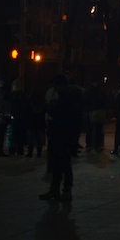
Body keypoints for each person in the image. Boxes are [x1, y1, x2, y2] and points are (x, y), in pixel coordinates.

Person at [40, 74, 80, 202]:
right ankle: (55, 189)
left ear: (62, 85)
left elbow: (64, 116)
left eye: (56, 87)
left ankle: (65, 190)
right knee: (56, 163)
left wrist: (51, 109)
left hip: (64, 135)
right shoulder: (64, 96)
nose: (55, 90)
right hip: (58, 134)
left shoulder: (69, 98)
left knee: (64, 163)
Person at [6, 78, 29, 156]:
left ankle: (14, 149)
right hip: (19, 116)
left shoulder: (12, 95)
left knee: (13, 134)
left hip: (16, 116)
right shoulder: (21, 95)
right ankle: (17, 149)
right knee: (17, 134)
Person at [83, 78, 107, 152]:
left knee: (97, 129)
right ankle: (92, 145)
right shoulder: (100, 92)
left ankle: (96, 145)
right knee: (91, 129)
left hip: (95, 111)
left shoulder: (91, 92)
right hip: (93, 111)